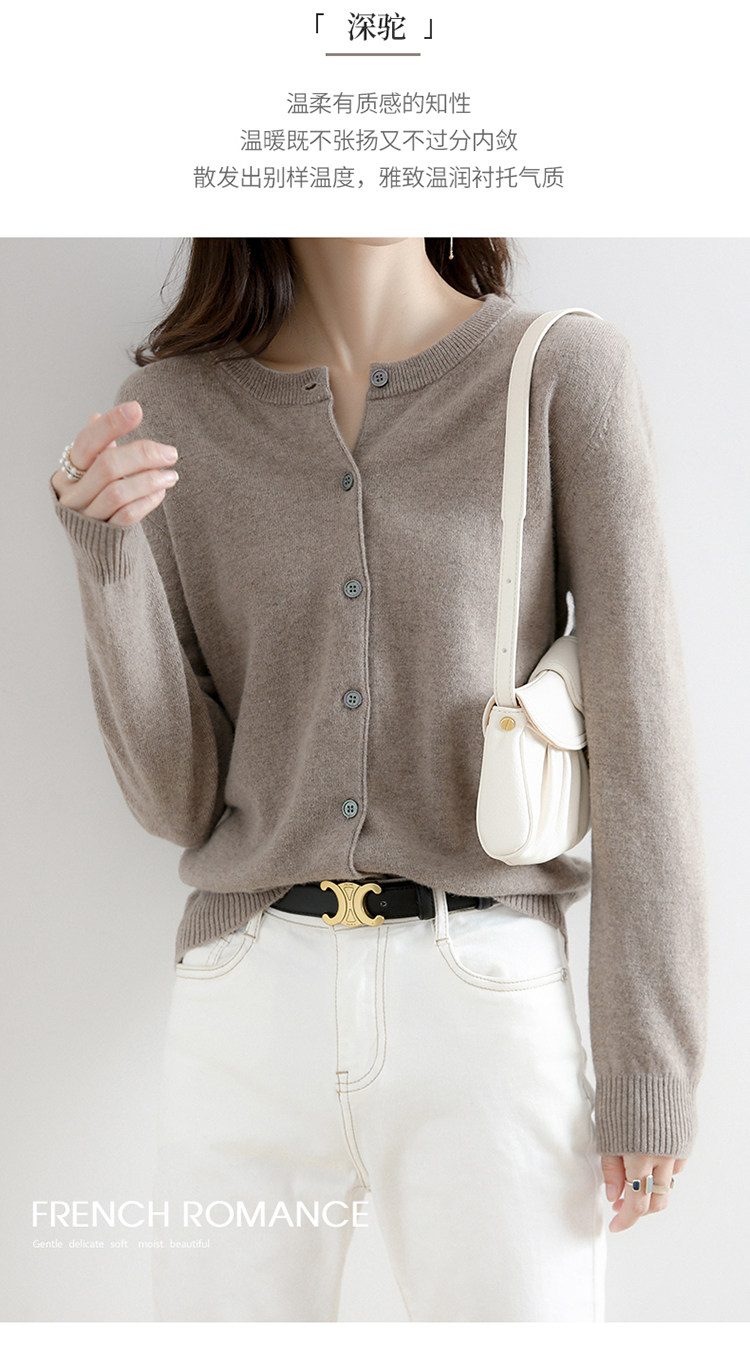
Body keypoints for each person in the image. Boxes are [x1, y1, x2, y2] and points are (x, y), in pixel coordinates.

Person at [49, 237, 708, 1323]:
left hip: (485, 1000)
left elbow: (646, 739)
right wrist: (104, 555)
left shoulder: (557, 375)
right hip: (245, 1003)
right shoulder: (172, 413)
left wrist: (650, 1067)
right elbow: (177, 800)